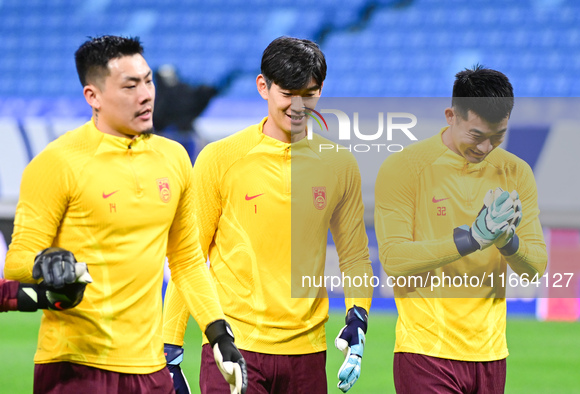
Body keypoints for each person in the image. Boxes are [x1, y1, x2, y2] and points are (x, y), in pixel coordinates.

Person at [4, 35, 246, 394]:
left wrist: (218, 333)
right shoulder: (57, 163)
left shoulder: (175, 157)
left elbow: (188, 261)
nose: (146, 94)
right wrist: (46, 262)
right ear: (93, 96)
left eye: (148, 81)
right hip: (76, 367)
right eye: (130, 85)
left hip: (152, 369)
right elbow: (16, 261)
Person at [162, 36, 374, 394]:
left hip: (307, 354)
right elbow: (190, 257)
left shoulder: (339, 165)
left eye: (309, 93)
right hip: (232, 347)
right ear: (264, 86)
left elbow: (354, 257)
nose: (298, 105)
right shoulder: (220, 158)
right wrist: (170, 346)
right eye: (287, 93)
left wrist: (358, 316)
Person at [375, 65, 548, 393]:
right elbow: (394, 260)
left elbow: (535, 268)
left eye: (498, 136)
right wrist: (473, 238)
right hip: (425, 353)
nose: (486, 148)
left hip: (491, 355)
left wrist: (508, 242)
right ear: (451, 116)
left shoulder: (516, 172)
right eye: (477, 135)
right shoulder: (405, 168)